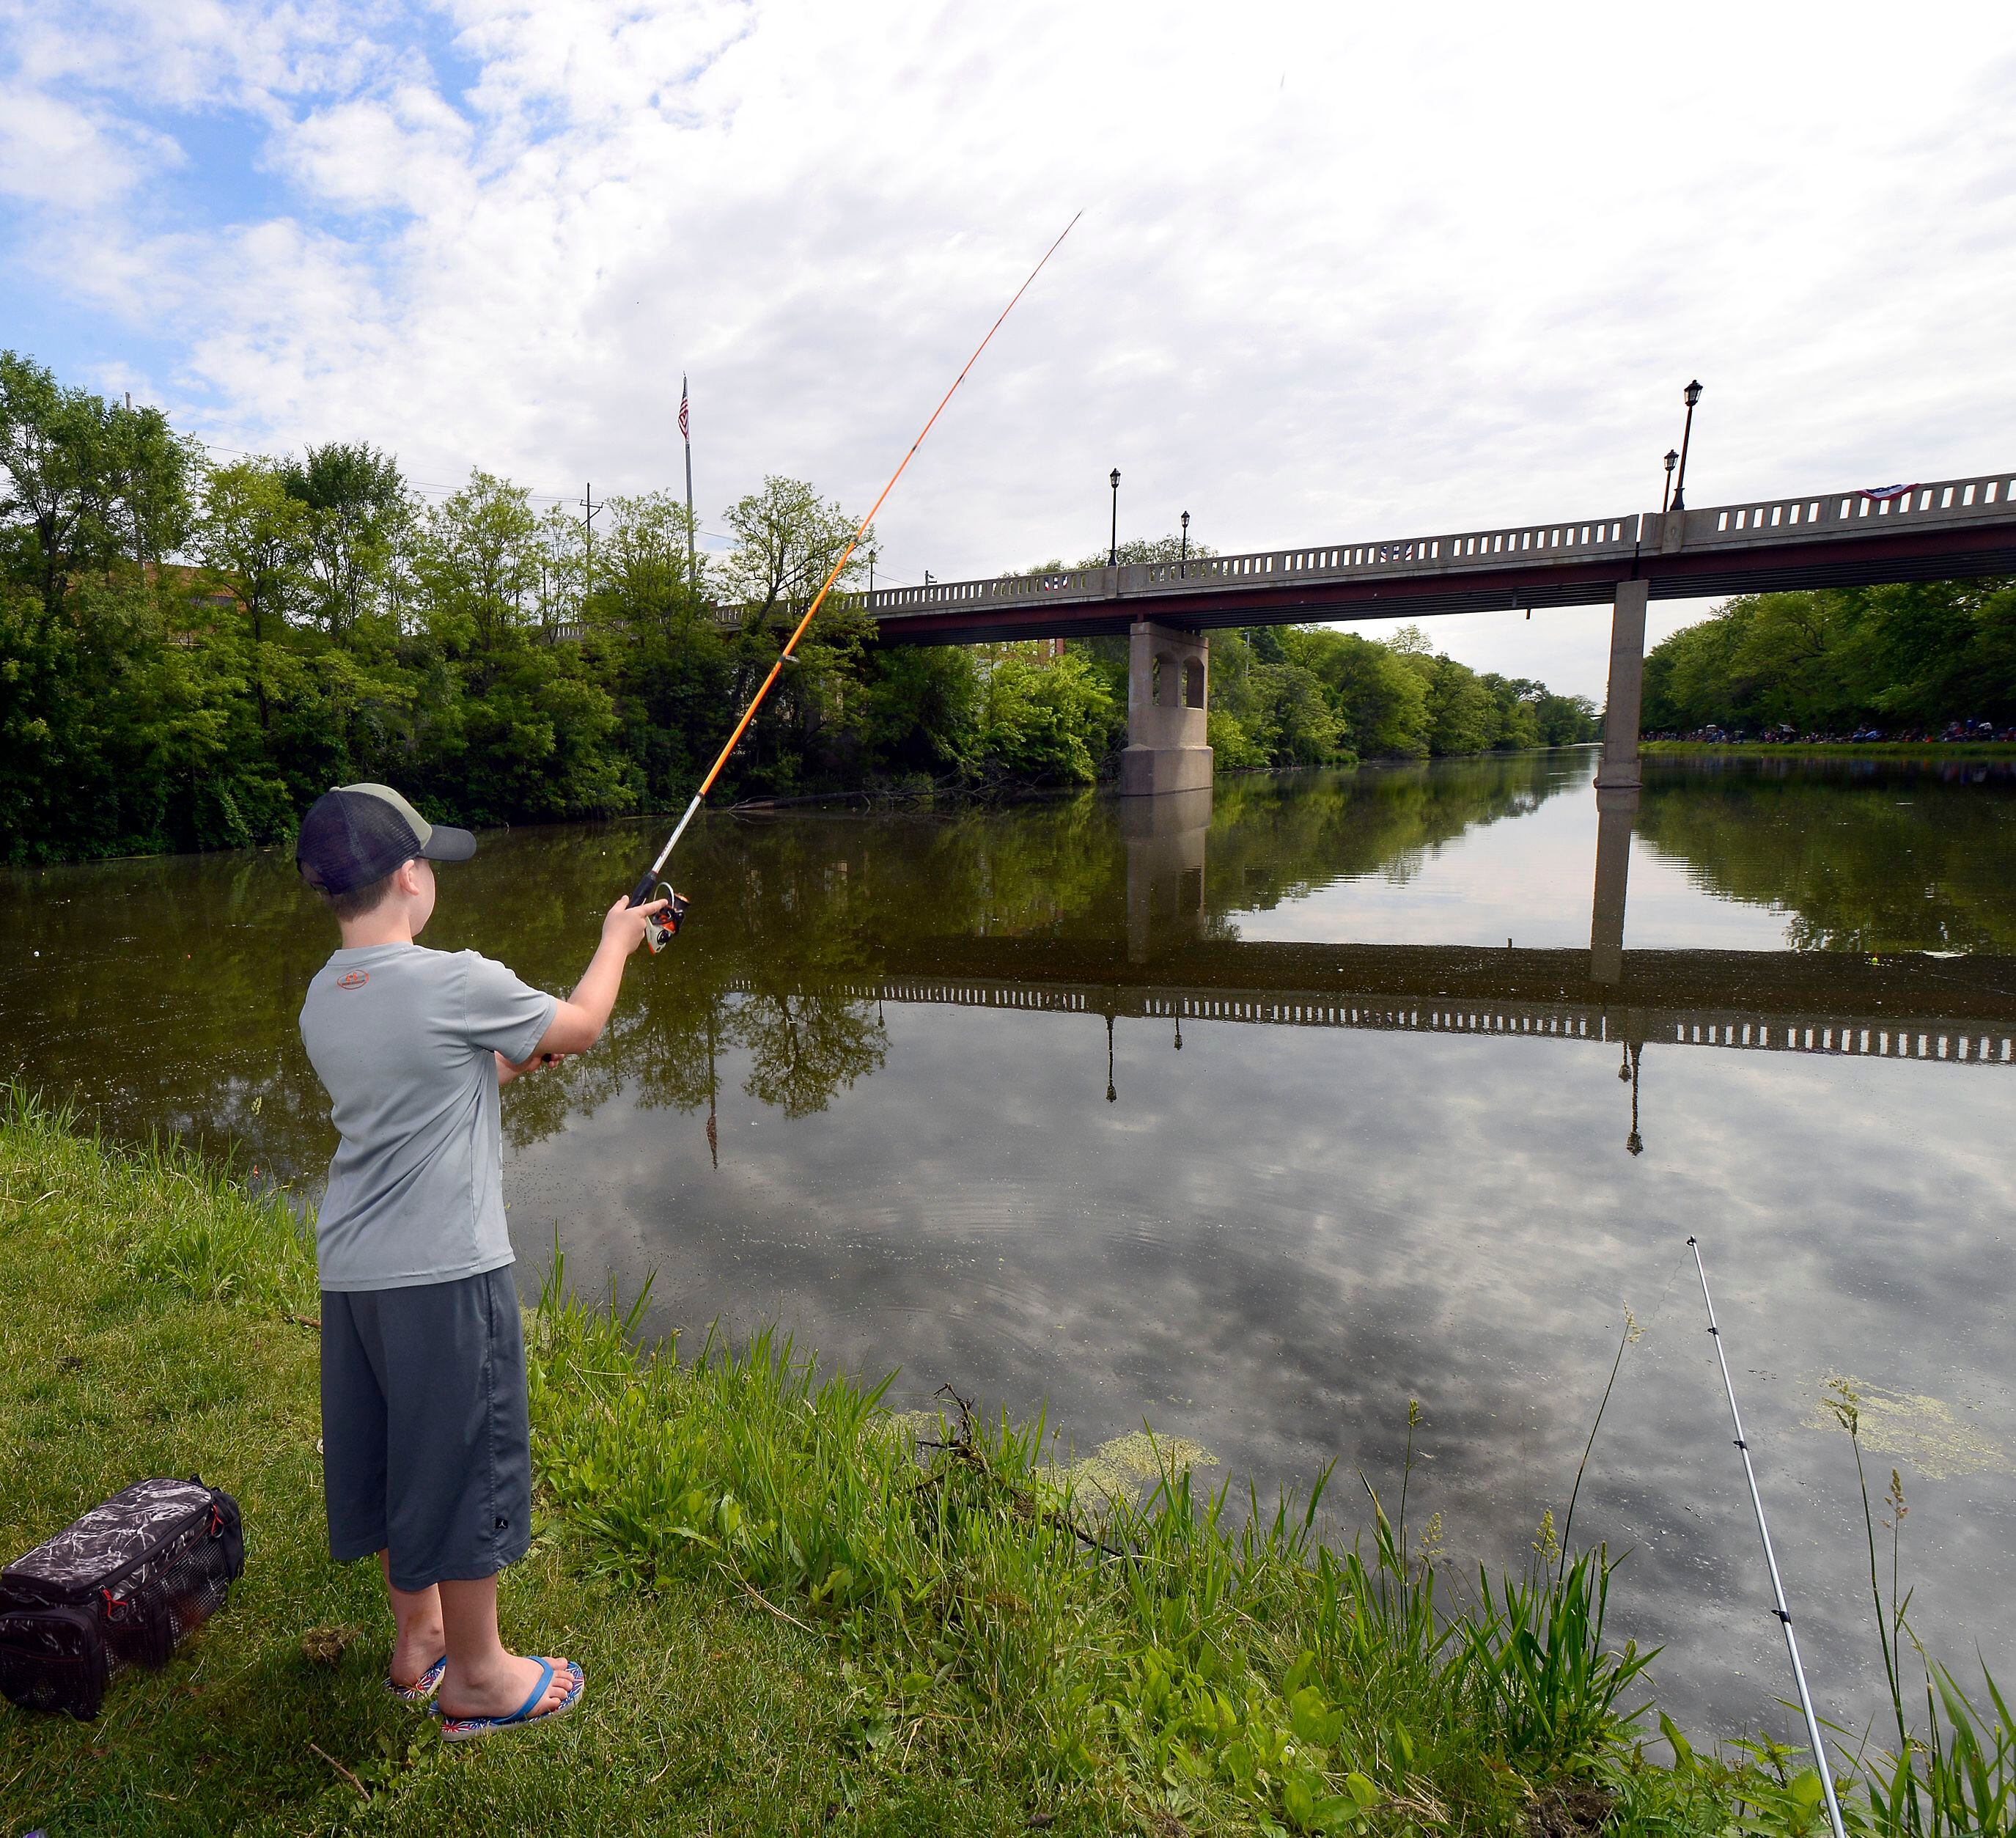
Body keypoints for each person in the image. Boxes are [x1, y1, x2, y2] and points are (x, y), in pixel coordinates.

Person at [293, 782, 668, 1740]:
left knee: (391, 1458)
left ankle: (416, 1639)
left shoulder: (325, 996)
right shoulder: (458, 977)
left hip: (357, 1275)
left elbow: (432, 1071)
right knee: (461, 1459)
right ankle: (481, 1678)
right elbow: (579, 1026)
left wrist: (508, 1059)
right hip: (445, 1274)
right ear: (413, 877)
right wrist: (617, 942)